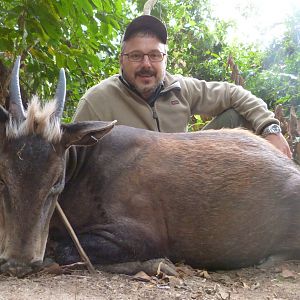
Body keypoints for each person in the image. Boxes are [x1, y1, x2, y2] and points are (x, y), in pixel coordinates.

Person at [73, 15, 292, 158]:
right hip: (131, 192)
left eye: (155, 55)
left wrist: (270, 128)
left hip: (182, 171)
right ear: (122, 60)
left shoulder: (179, 88)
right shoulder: (97, 101)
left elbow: (233, 92)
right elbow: (71, 160)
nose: (146, 64)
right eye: (136, 56)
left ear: (165, 59)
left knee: (237, 116)